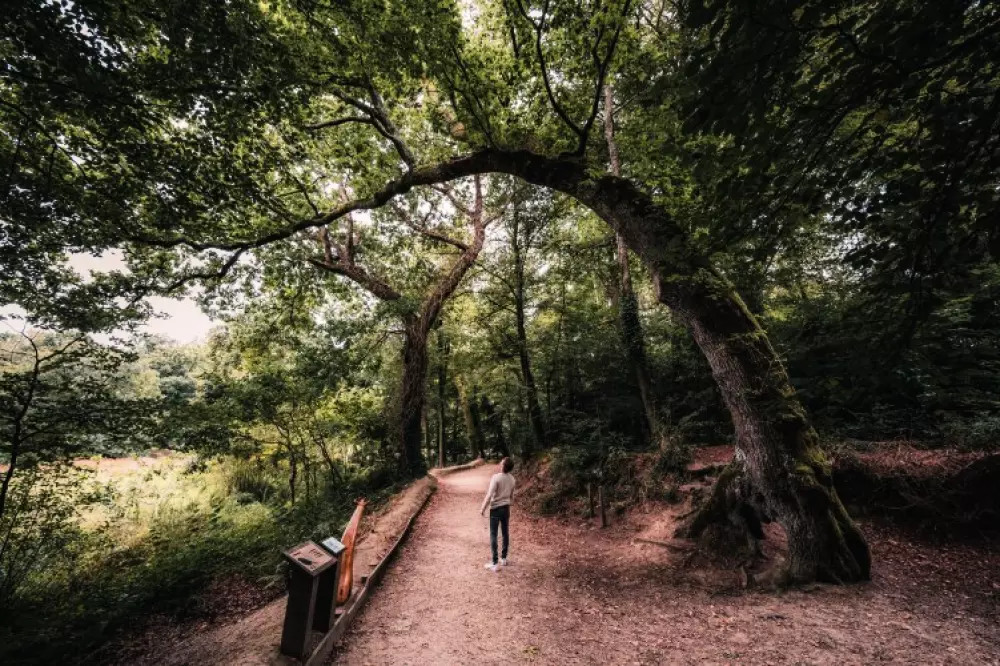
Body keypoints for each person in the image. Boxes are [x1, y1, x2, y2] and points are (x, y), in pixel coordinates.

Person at [480, 457, 515, 572]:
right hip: (506, 509)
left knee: (493, 534)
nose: (500, 462)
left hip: (496, 509)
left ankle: (494, 563)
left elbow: (489, 495)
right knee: (505, 533)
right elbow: (512, 497)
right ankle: (503, 559)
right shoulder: (512, 479)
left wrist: (483, 508)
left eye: (502, 462)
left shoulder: (496, 478)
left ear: (503, 466)